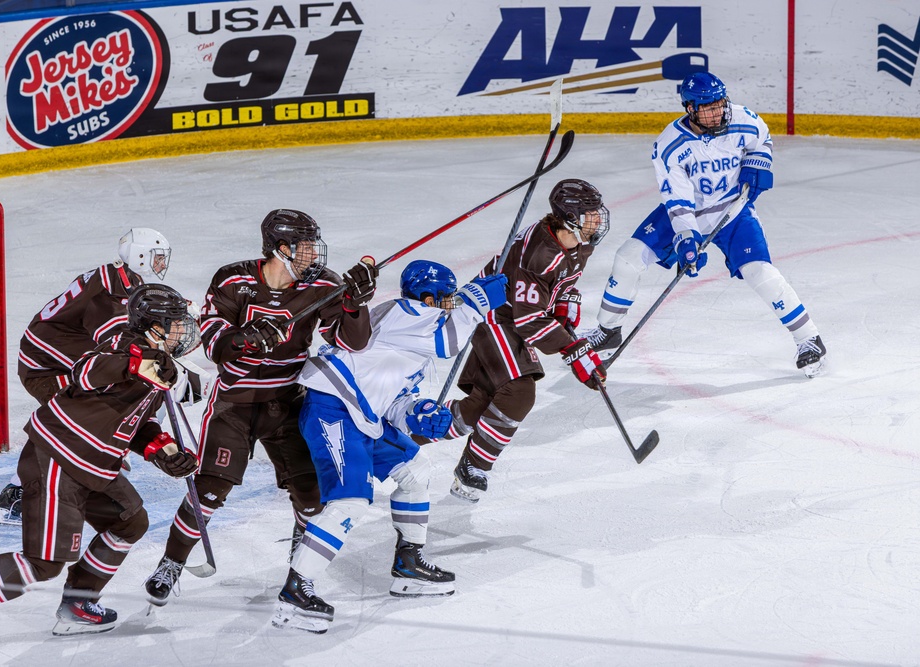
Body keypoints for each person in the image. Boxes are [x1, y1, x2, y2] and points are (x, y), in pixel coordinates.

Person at [0, 285, 200, 651]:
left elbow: (136, 421)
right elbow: (85, 372)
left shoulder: (159, 364)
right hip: (58, 458)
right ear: (156, 326)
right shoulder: (122, 344)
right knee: (44, 563)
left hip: (95, 465)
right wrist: (133, 364)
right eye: (177, 324)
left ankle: (78, 603)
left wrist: (163, 451)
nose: (183, 331)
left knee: (130, 521)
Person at [143, 209, 378, 607]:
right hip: (235, 403)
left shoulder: (323, 284)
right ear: (281, 248)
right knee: (209, 492)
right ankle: (171, 563)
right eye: (306, 246)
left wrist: (355, 306)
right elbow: (215, 346)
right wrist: (247, 339)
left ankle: (300, 570)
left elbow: (354, 343)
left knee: (311, 496)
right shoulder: (232, 280)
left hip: (288, 402)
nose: (314, 253)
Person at [271, 260, 508, 634]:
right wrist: (476, 303)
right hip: (332, 407)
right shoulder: (403, 313)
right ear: (426, 298)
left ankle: (409, 564)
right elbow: (449, 342)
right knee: (350, 501)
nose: (451, 305)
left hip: (362, 414)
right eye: (446, 298)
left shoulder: (417, 331)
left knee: (416, 471)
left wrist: (417, 413)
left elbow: (393, 400)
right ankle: (296, 591)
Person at [582, 71, 826, 377]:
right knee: (628, 258)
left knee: (760, 272)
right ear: (690, 109)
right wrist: (687, 237)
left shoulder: (742, 118)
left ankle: (809, 339)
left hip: (733, 212)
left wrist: (758, 162)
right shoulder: (670, 145)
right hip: (688, 213)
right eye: (708, 108)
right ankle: (608, 331)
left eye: (720, 104)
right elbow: (677, 199)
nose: (717, 113)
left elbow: (761, 137)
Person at [0, 228, 177, 526]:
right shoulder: (112, 293)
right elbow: (117, 343)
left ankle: (98, 454)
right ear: (139, 255)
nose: (162, 264)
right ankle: (16, 495)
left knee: (133, 387)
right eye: (157, 257)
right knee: (75, 416)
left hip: (60, 360)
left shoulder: (121, 279)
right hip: (47, 368)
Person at [445, 179, 610, 503]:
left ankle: (400, 438)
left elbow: (557, 285)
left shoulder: (578, 241)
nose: (597, 218)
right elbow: (529, 319)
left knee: (480, 406)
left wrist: (563, 303)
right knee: (518, 392)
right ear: (570, 218)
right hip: (491, 311)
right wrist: (573, 349)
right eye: (589, 213)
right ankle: (473, 466)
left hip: (514, 314)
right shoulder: (541, 253)